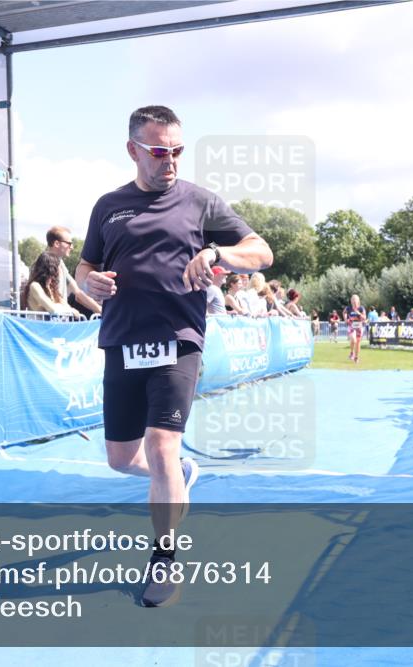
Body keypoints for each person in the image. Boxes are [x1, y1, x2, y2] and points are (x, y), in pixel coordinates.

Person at [75, 105, 272, 608]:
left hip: (177, 340)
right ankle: (179, 475)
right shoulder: (108, 206)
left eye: (178, 150)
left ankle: (164, 559)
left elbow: (261, 252)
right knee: (122, 459)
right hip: (121, 340)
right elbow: (84, 268)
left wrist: (218, 254)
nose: (171, 160)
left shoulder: (200, 202)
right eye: (160, 151)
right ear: (133, 150)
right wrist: (89, 283)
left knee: (161, 445)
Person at [44, 225, 103, 317]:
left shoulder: (60, 264)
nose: (72, 247)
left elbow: (78, 292)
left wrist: (101, 310)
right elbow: (46, 294)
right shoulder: (44, 263)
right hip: (45, 322)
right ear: (57, 244)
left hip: (57, 320)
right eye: (69, 243)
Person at [21, 252, 83, 318]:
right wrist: (69, 310)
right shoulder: (35, 286)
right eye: (58, 266)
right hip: (36, 324)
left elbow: (66, 306)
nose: (60, 270)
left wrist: (68, 309)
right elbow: (52, 309)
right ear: (51, 268)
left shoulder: (51, 288)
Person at [346, 294, 365, 363]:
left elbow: (364, 317)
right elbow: (344, 312)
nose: (354, 301)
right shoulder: (348, 308)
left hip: (359, 327)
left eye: (355, 299)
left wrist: (358, 313)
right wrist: (346, 319)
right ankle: (352, 353)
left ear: (358, 301)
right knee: (354, 340)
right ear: (351, 301)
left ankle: (356, 357)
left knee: (358, 343)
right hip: (351, 326)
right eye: (353, 299)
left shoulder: (361, 308)